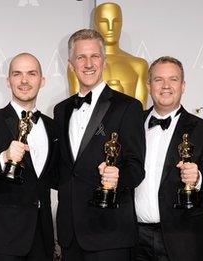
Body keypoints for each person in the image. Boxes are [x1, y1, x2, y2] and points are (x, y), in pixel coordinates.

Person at [54, 28, 145, 260]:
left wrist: (118, 177)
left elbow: (136, 169)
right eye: (81, 57)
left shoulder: (128, 107)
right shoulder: (61, 110)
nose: (88, 63)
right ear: (71, 64)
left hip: (110, 233)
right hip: (70, 235)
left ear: (104, 61)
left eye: (94, 56)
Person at [0, 52, 58, 260]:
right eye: (17, 74)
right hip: (3, 240)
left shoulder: (53, 127)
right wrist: (3, 157)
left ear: (42, 81)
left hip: (42, 238)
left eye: (31, 74)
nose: (24, 80)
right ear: (8, 81)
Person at [134, 56, 203, 261]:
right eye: (158, 79)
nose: (166, 86)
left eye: (173, 79)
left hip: (184, 239)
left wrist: (198, 178)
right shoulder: (131, 124)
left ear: (183, 86)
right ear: (148, 85)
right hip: (135, 238)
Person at [68, 2, 149, 107]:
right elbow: (77, 106)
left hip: (127, 121)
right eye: (103, 21)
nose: (110, 27)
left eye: (115, 21)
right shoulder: (79, 65)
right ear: (95, 23)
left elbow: (140, 112)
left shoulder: (138, 65)